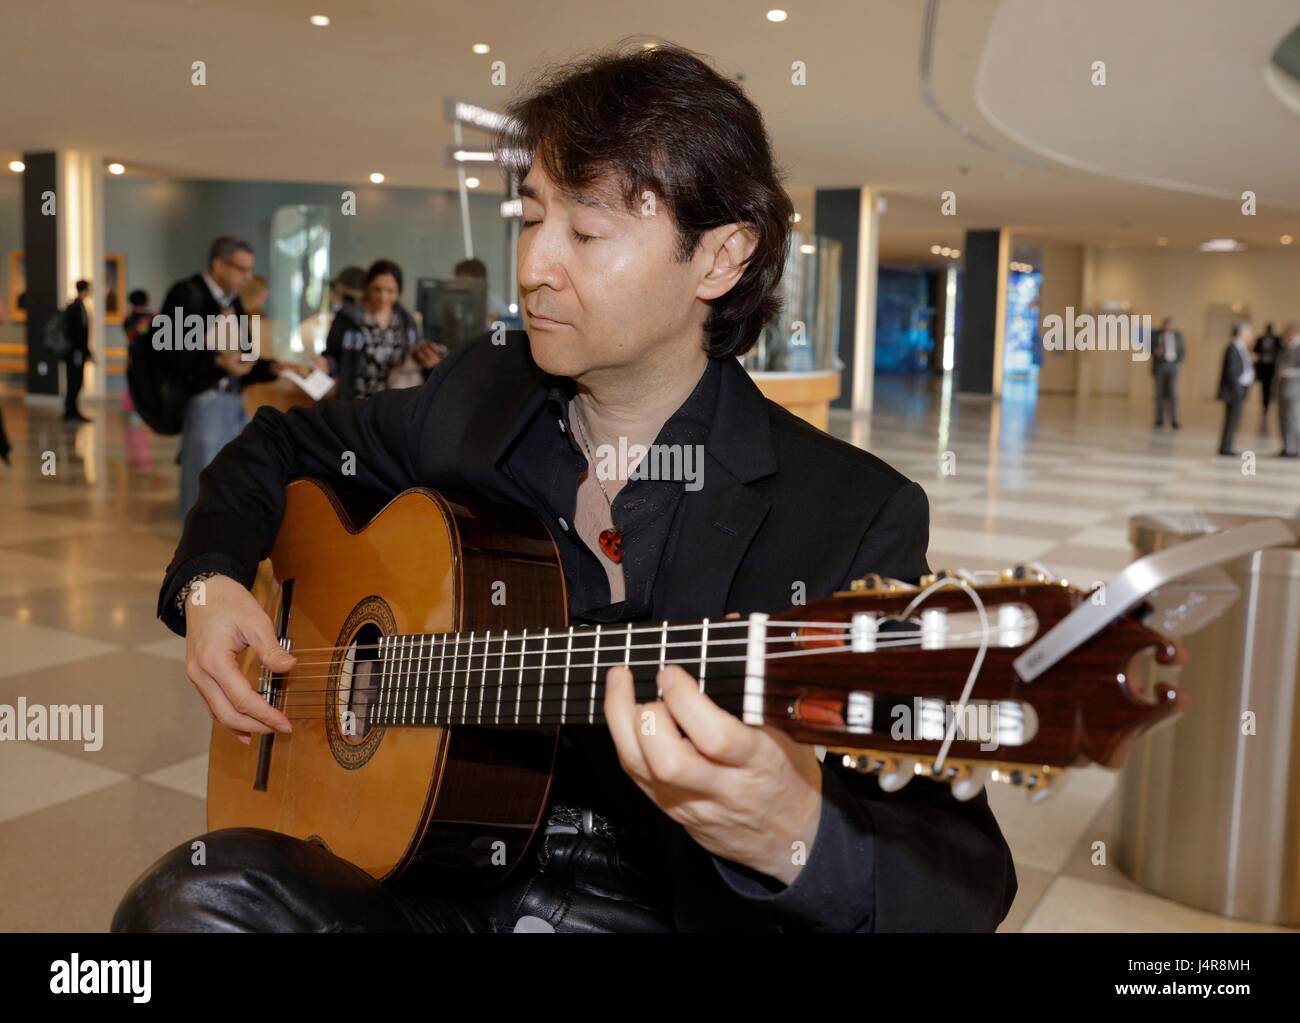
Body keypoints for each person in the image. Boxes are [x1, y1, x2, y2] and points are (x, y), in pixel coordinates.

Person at [113, 43, 1016, 934]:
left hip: (670, 904)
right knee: (189, 904)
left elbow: (965, 877)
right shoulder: (483, 394)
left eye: (585, 232)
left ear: (720, 258)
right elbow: (281, 443)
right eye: (531, 216)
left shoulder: (847, 515)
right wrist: (213, 580)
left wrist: (794, 833)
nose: (536, 264)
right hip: (442, 870)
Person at [160, 236, 282, 518]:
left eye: (250, 270)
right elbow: (170, 352)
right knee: (203, 473)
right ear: (218, 264)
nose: (248, 277)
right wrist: (218, 363)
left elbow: (244, 355)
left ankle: (217, 533)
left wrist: (272, 367)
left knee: (229, 471)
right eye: (242, 269)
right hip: (205, 399)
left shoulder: (234, 302)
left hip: (234, 400)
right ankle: (196, 543)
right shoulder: (187, 294)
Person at [315, 259, 445, 401]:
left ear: (399, 292)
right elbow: (333, 355)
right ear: (367, 287)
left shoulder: (407, 323)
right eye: (377, 289)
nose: (383, 297)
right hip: (355, 402)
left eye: (390, 291)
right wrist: (325, 364)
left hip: (393, 405)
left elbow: (413, 360)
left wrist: (427, 358)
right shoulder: (347, 318)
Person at [1217, 321, 1255, 456]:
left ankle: (1228, 446)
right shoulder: (1233, 347)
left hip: (1240, 389)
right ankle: (1226, 447)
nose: (1251, 335)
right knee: (1231, 419)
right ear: (1241, 333)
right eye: (1248, 332)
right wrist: (1238, 388)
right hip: (1234, 391)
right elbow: (1232, 371)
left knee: (1235, 420)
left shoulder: (1242, 348)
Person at [63, 279, 92, 423]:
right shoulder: (77, 308)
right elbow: (78, 333)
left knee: (76, 381)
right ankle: (70, 412)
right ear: (85, 289)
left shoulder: (77, 306)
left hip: (76, 351)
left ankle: (72, 411)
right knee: (74, 381)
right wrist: (86, 352)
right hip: (75, 352)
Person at [454, 256, 512, 329]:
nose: (461, 288)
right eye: (459, 283)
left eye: (466, 284)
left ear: (482, 281)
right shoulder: (455, 305)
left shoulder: (498, 308)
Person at [1150, 316, 1184, 429]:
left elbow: (1182, 350)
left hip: (1172, 366)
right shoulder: (1155, 335)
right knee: (1159, 394)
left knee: (1173, 394)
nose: (1167, 327)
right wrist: (1155, 350)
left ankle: (1174, 420)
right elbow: (1148, 349)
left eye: (1169, 325)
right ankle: (1159, 419)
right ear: (1163, 325)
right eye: (1166, 324)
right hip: (1160, 366)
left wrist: (1179, 363)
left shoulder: (1177, 335)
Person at [1277, 322, 1300, 458]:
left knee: (1294, 420)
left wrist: (1290, 372)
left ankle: (1296, 449)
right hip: (1283, 388)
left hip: (1295, 389)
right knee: (1283, 419)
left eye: (1286, 331)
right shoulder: (1286, 347)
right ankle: (1287, 447)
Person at [1254, 322, 1282, 418]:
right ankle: (1265, 405)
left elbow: (1281, 350)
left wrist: (1272, 351)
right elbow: (1255, 349)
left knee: (1271, 386)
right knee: (1264, 387)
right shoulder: (1260, 339)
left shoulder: (1277, 339)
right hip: (1263, 367)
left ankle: (1269, 402)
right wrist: (1263, 351)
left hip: (1272, 367)